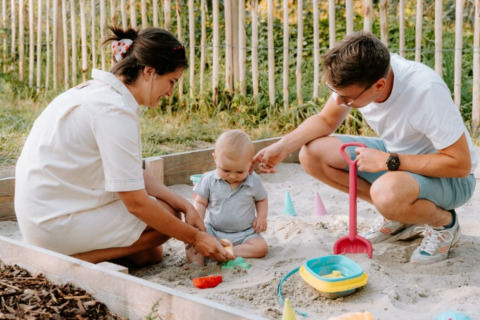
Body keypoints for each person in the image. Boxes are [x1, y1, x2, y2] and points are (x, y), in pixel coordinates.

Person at [14, 26, 234, 268]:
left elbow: (130, 174)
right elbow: (136, 203)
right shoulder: (114, 111)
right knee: (167, 218)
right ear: (149, 72)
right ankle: (69, 262)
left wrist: (185, 205)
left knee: (149, 255)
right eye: (171, 81)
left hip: (42, 214)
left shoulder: (99, 93)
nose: (171, 92)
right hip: (52, 223)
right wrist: (196, 238)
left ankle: (73, 253)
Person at [253, 31, 477, 265]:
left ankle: (444, 224)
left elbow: (460, 164)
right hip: (398, 156)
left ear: (379, 85)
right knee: (311, 154)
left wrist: (389, 161)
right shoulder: (362, 72)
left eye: (347, 99)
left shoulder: (424, 90)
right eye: (335, 93)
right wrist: (281, 146)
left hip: (452, 178)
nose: (339, 102)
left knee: (386, 193)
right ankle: (400, 217)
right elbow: (326, 121)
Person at [186, 130, 269, 266]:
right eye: (225, 170)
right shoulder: (208, 179)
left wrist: (261, 217)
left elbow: (262, 199)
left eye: (239, 172)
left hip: (245, 234)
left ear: (250, 162)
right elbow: (200, 202)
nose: (232, 176)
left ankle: (228, 251)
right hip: (214, 231)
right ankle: (198, 264)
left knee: (261, 248)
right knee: (193, 246)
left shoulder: (254, 181)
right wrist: (199, 224)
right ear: (215, 158)